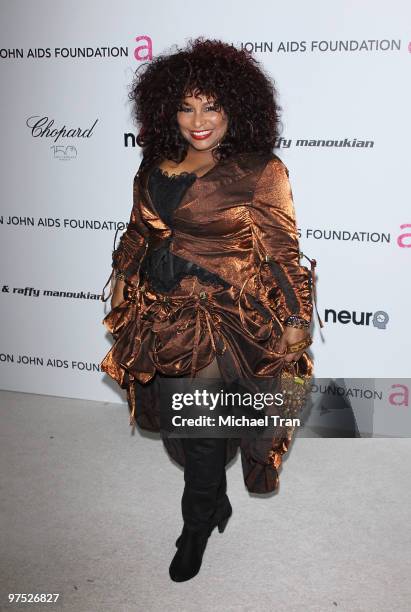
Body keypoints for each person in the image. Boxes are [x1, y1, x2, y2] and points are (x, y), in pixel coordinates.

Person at [100, 38, 322, 582]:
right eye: (186, 106)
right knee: (191, 427)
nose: (198, 120)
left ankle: (195, 525)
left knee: (202, 430)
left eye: (211, 106)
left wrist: (297, 319)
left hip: (230, 316)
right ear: (166, 110)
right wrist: (122, 275)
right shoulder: (155, 164)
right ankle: (213, 501)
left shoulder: (259, 169)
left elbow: (282, 251)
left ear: (235, 108)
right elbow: (141, 228)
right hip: (165, 314)